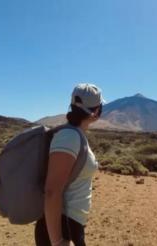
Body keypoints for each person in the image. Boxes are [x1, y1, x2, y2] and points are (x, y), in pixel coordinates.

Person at [34, 83, 103, 246]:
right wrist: (57, 241)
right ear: (96, 111)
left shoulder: (75, 135)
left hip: (70, 225)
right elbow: (52, 191)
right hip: (62, 227)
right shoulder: (69, 137)